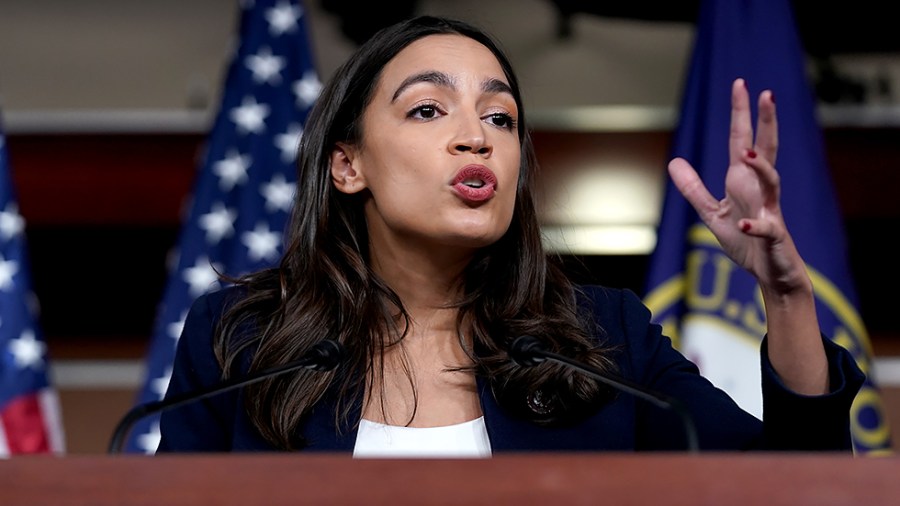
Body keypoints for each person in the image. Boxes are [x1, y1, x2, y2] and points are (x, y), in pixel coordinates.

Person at [156, 15, 863, 455]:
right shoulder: (244, 342)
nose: (476, 139)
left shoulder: (602, 340)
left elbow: (795, 485)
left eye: (500, 119)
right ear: (348, 164)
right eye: (430, 110)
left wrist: (786, 290)